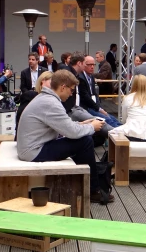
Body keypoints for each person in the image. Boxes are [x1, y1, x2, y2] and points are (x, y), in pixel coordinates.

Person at [17, 69, 113, 203]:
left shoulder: (45, 98)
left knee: (82, 140)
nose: (71, 94)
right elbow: (72, 132)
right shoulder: (51, 103)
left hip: (31, 147)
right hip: (33, 151)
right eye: (71, 90)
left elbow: (64, 126)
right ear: (63, 87)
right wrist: (92, 127)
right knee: (85, 142)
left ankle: (85, 184)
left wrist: (81, 124)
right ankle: (93, 190)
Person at [111, 75, 146, 140]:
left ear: (134, 85)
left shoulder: (127, 98)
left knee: (113, 132)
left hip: (132, 132)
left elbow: (124, 119)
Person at [79, 55, 122, 128]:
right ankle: (121, 133)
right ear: (84, 65)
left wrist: (99, 107)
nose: (92, 67)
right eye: (89, 65)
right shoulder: (81, 78)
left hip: (94, 106)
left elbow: (95, 93)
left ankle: (124, 130)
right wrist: (98, 108)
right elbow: (85, 97)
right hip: (87, 107)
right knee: (108, 119)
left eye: (93, 64)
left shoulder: (91, 76)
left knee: (113, 118)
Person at [15, 71, 53, 140]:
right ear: (43, 82)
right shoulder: (30, 96)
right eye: (51, 83)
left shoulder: (50, 100)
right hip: (28, 140)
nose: (53, 87)